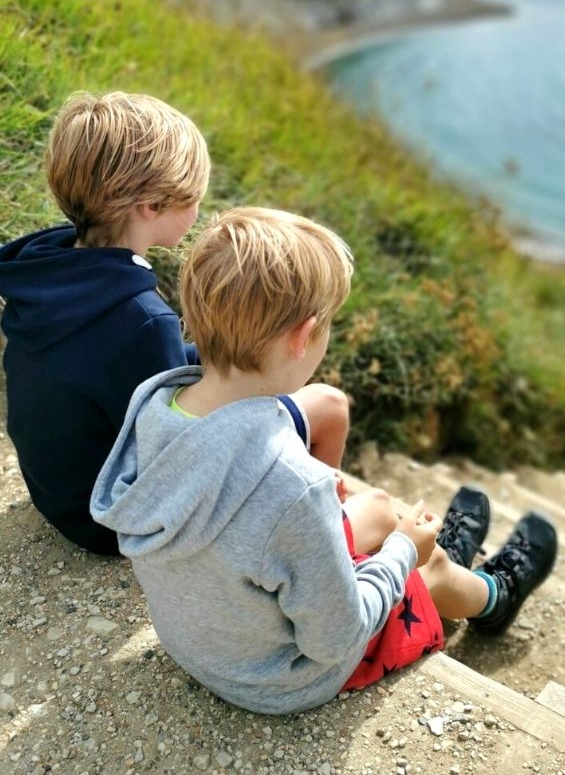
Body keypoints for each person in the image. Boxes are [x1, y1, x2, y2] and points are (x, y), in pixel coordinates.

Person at [90, 207, 557, 714]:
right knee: (431, 567)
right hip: (279, 676)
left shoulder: (157, 406)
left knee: (377, 505)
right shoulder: (293, 486)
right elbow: (337, 637)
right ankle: (492, 595)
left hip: (201, 639)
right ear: (302, 335)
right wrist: (402, 553)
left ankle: (432, 550)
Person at [0, 92, 349, 555]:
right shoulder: (142, 320)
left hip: (60, 493)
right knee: (327, 405)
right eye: (193, 196)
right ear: (151, 205)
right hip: (112, 519)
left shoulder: (48, 270)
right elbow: (180, 441)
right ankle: (323, 540)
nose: (199, 207)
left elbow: (122, 375)